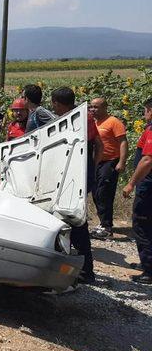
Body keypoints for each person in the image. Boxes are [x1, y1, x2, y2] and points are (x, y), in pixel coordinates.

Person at [51, 87, 103, 284]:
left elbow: (98, 145)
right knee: (69, 221)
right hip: (76, 176)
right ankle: (75, 268)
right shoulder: (84, 118)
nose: (52, 107)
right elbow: (99, 145)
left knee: (75, 222)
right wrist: (91, 169)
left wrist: (87, 171)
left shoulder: (76, 119)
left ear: (58, 103)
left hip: (73, 179)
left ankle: (84, 272)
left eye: (54, 103)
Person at [89, 98, 128, 239]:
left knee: (104, 192)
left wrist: (122, 162)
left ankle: (107, 227)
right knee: (95, 192)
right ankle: (102, 222)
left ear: (105, 108)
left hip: (110, 161)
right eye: (91, 107)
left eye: (96, 107)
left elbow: (123, 142)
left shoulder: (114, 122)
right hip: (96, 162)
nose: (92, 110)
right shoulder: (93, 123)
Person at [122, 99, 152, 284]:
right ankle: (146, 263)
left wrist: (131, 183)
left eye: (146, 110)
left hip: (148, 185)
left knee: (142, 225)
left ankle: (149, 270)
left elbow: (148, 160)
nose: (144, 114)